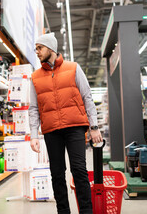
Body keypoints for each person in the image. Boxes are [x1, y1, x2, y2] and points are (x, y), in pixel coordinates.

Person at [29, 32, 103, 214]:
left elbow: (87, 97)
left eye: (40, 48)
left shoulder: (73, 68)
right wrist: (33, 135)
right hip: (51, 130)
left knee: (79, 170)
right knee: (57, 173)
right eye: (36, 48)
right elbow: (33, 107)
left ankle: (86, 211)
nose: (37, 52)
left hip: (75, 127)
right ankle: (63, 211)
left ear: (51, 49)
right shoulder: (35, 77)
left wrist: (94, 127)